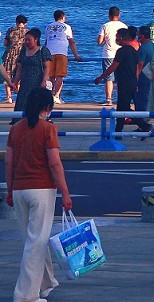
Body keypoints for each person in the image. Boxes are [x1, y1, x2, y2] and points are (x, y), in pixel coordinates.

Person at [6, 88, 72, 302]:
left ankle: (45, 284)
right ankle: (26, 296)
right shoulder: (48, 129)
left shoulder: (16, 129)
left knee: (32, 240)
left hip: (19, 190)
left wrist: (10, 190)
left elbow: (9, 163)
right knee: (36, 244)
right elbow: (54, 163)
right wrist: (65, 192)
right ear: (47, 108)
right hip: (42, 189)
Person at [94, 26, 152, 136]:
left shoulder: (122, 51)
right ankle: (118, 131)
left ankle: (143, 125)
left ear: (122, 38)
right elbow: (137, 67)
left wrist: (101, 77)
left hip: (125, 83)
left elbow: (113, 66)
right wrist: (136, 81)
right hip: (131, 82)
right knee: (121, 107)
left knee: (124, 108)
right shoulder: (133, 51)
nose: (116, 39)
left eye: (117, 37)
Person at [44, 9, 82, 103]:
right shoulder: (66, 27)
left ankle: (51, 95)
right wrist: (76, 55)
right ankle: (56, 96)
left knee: (51, 76)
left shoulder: (48, 27)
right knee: (60, 75)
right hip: (61, 52)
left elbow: (46, 42)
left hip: (49, 52)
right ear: (63, 17)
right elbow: (71, 41)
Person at [12, 28, 48, 119]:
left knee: (36, 102)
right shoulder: (23, 51)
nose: (27, 42)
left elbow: (47, 67)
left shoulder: (42, 50)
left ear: (36, 40)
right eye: (25, 40)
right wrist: (15, 82)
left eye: (29, 40)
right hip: (25, 82)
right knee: (22, 103)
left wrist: (44, 80)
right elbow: (20, 68)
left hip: (37, 82)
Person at [96, 6, 127, 106]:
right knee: (120, 77)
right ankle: (120, 98)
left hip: (108, 54)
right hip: (121, 53)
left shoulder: (105, 26)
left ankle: (108, 99)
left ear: (109, 15)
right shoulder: (124, 26)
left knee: (108, 77)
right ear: (119, 15)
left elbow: (99, 41)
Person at [3, 14, 29, 104]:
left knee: (8, 75)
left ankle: (9, 97)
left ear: (16, 22)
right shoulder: (28, 32)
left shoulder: (11, 30)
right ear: (25, 23)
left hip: (10, 55)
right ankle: (19, 96)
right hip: (22, 55)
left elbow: (5, 43)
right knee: (19, 75)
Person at [133, 25, 154, 113]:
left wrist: (135, 79)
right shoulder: (153, 45)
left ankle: (141, 118)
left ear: (141, 36)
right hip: (152, 75)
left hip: (144, 77)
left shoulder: (143, 48)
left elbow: (140, 65)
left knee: (141, 99)